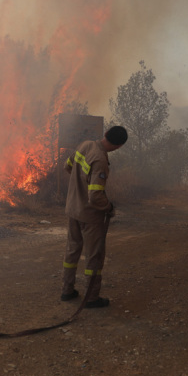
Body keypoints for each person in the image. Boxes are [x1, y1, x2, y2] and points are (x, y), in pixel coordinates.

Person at [60, 125, 128, 308]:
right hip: (89, 217)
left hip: (73, 209)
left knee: (72, 250)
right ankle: (91, 298)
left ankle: (67, 290)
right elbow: (95, 196)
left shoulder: (85, 145)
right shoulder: (100, 160)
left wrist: (79, 184)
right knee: (93, 257)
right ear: (118, 146)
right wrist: (109, 207)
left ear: (105, 134)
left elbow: (67, 166)